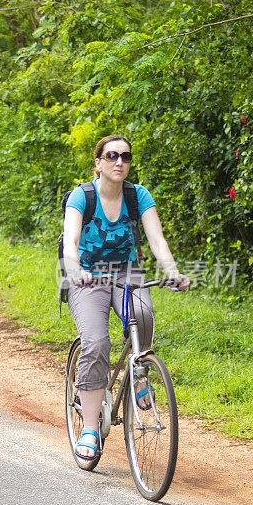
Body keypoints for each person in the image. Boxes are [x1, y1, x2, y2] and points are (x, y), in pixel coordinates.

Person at [62, 134, 190, 462]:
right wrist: (75, 270)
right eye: (112, 156)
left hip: (127, 273)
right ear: (99, 162)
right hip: (87, 277)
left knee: (143, 316)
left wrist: (172, 271)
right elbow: (70, 243)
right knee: (96, 342)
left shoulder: (137, 196)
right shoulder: (82, 196)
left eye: (126, 157)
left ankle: (139, 375)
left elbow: (157, 239)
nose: (119, 162)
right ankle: (90, 429)